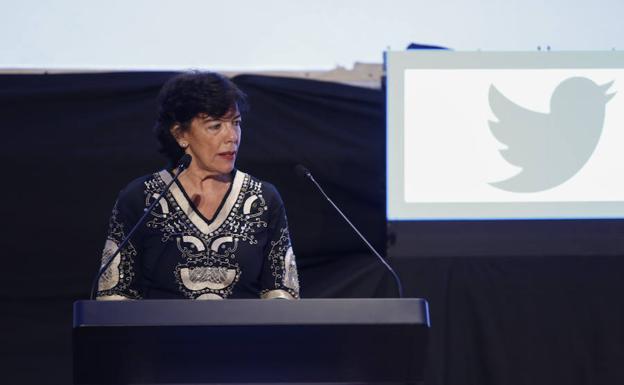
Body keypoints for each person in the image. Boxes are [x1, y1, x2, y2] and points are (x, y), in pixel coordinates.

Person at [96, 71, 299, 300]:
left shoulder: (262, 199)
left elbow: (282, 291)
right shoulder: (142, 198)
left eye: (236, 123)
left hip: (245, 335)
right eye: (215, 126)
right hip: (160, 335)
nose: (232, 136)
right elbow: (113, 294)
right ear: (180, 134)